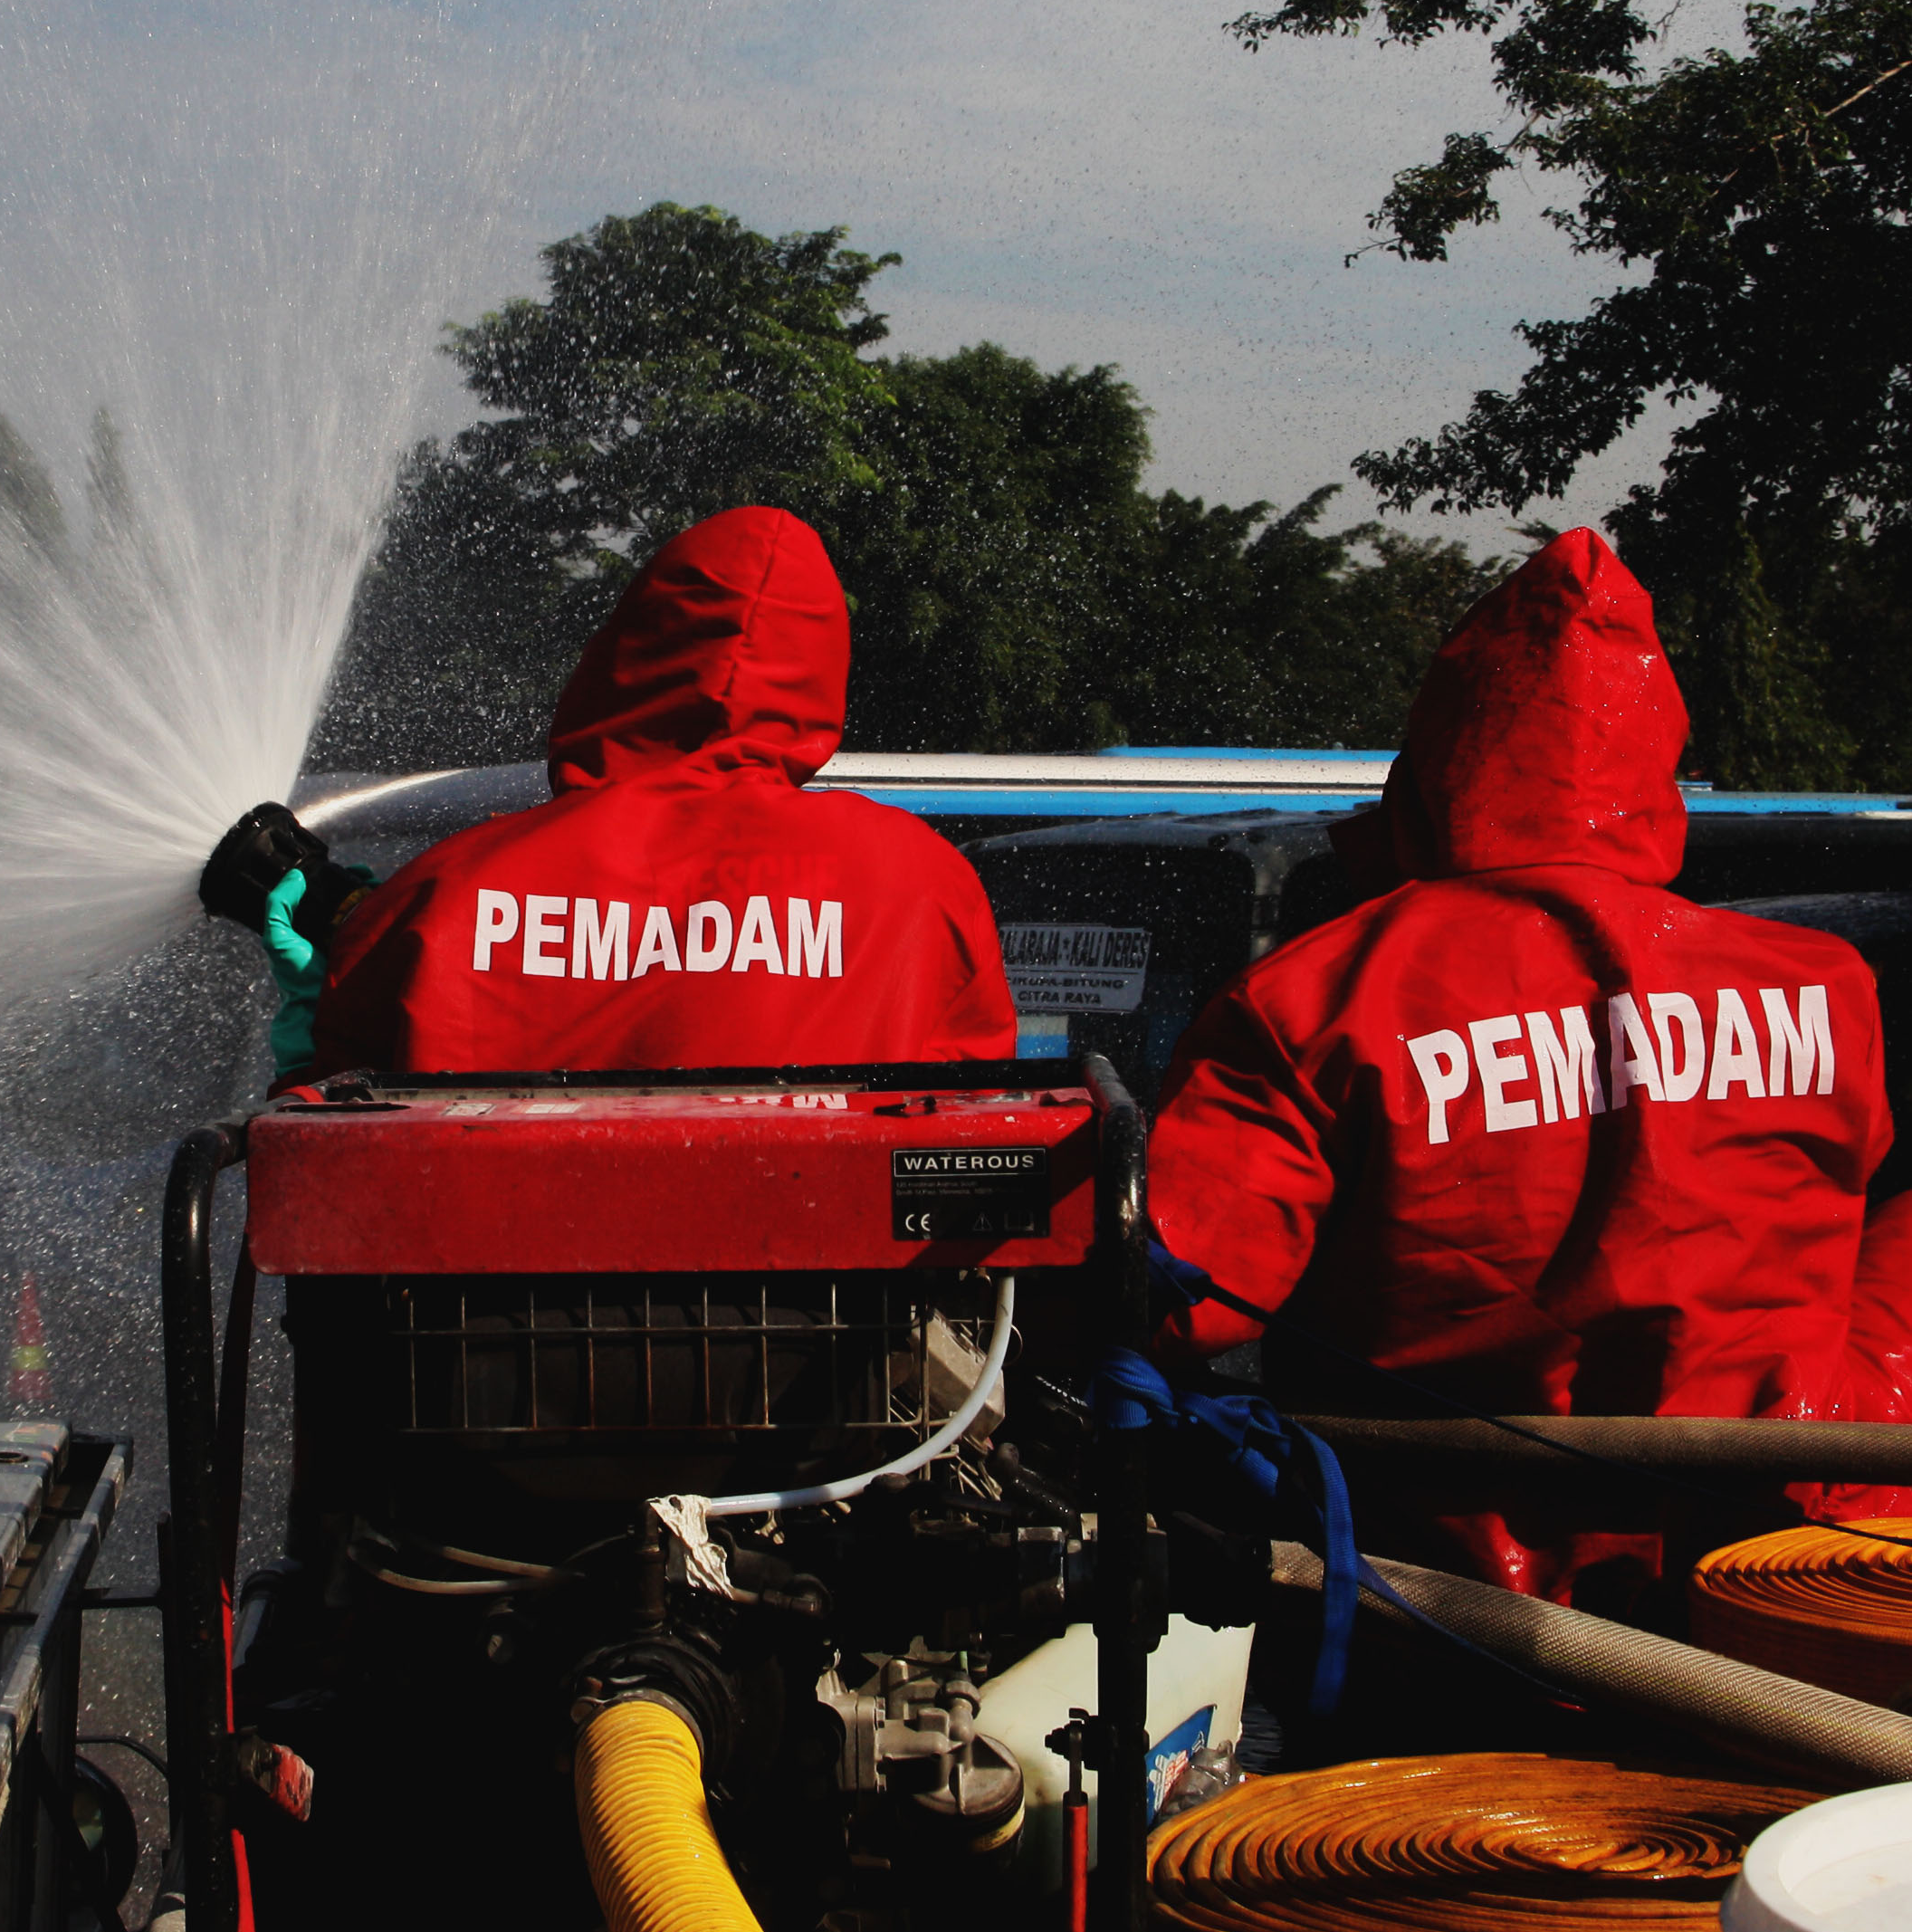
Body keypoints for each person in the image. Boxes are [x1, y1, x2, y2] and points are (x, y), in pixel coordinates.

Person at [1145, 529, 1895, 1602]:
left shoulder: (1315, 998)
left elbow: (1178, 1299)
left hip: (1433, 1614)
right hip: (1764, 1595)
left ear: (1448, 746)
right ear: (1654, 756)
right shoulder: (1826, 985)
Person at [293, 505, 1016, 1076]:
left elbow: (319, 1139)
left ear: (624, 654)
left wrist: (336, 961)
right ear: (820, 673)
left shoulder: (444, 891)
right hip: (816, 1264)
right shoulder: (919, 883)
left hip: (502, 1264)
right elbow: (977, 1124)